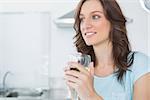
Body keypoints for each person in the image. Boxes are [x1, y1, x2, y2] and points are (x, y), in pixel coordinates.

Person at [64, 0, 150, 100]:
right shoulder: (83, 70)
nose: (86, 25)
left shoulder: (139, 64)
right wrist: (73, 94)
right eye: (82, 19)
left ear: (113, 21)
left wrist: (90, 96)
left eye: (95, 17)